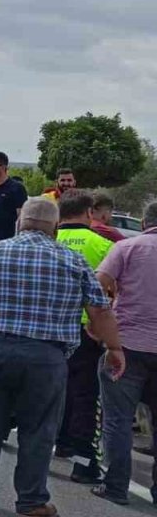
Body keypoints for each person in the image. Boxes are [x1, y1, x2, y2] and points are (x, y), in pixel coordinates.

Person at [0, 198, 124, 516]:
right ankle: (31, 500)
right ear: (54, 226)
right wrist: (114, 347)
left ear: (20, 221)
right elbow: (99, 309)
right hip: (46, 358)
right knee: (39, 429)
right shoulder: (73, 261)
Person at [93, 201, 157, 506]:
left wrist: (99, 326)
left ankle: (115, 486)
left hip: (126, 344)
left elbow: (97, 286)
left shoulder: (127, 248)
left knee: (117, 419)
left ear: (144, 223)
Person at [53, 190, 114, 484]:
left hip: (47, 329)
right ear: (90, 212)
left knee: (47, 390)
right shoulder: (103, 245)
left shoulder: (48, 240)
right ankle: (83, 463)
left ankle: (53, 443)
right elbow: (111, 293)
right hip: (85, 331)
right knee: (84, 397)